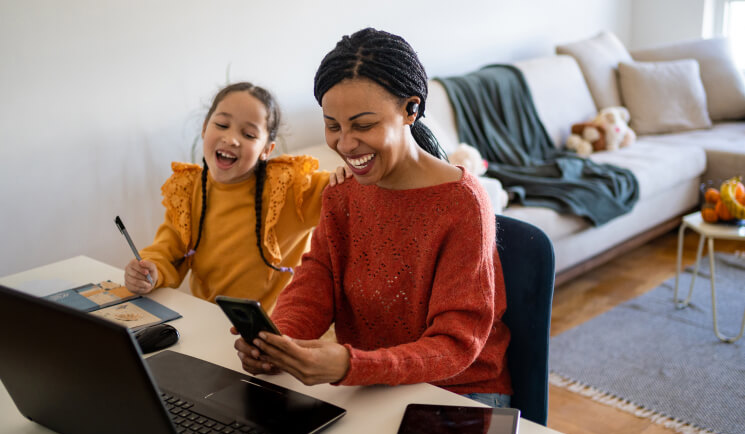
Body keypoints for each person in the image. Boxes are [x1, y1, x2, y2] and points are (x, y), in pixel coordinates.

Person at [233, 28, 512, 406]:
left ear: (410, 110)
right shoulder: (343, 192)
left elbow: (456, 344)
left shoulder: (462, 204)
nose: (345, 144)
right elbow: (317, 280)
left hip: (460, 392)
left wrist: (351, 365)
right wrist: (280, 340)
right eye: (333, 126)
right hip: (372, 385)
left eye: (363, 125)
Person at [124, 82, 345, 311]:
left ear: (266, 150)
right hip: (209, 321)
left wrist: (347, 173)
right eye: (222, 124)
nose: (231, 139)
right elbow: (167, 251)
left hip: (273, 330)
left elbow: (344, 190)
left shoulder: (289, 187)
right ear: (204, 128)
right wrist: (149, 270)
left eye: (248, 134)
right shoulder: (189, 189)